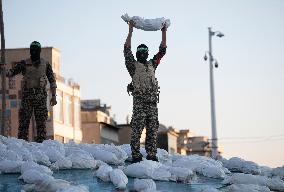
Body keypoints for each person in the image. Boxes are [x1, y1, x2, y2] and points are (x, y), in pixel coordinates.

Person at [124, 20, 167, 163]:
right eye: (140, 52)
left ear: (147, 53)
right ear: (137, 54)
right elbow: (126, 49)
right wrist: (130, 31)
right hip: (140, 104)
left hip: (153, 104)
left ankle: (151, 154)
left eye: (144, 52)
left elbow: (162, 51)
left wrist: (164, 31)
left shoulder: (152, 65)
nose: (142, 54)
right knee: (137, 130)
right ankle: (136, 155)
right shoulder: (133, 66)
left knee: (152, 131)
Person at [2, 41, 57, 142]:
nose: (34, 52)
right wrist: (3, 68)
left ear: (39, 51)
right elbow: (11, 73)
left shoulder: (45, 64)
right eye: (32, 50)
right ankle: (22, 145)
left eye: (36, 50)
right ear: (30, 51)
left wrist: (54, 96)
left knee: (41, 124)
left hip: (41, 97)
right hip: (28, 97)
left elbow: (52, 81)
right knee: (24, 123)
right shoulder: (24, 63)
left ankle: (41, 145)